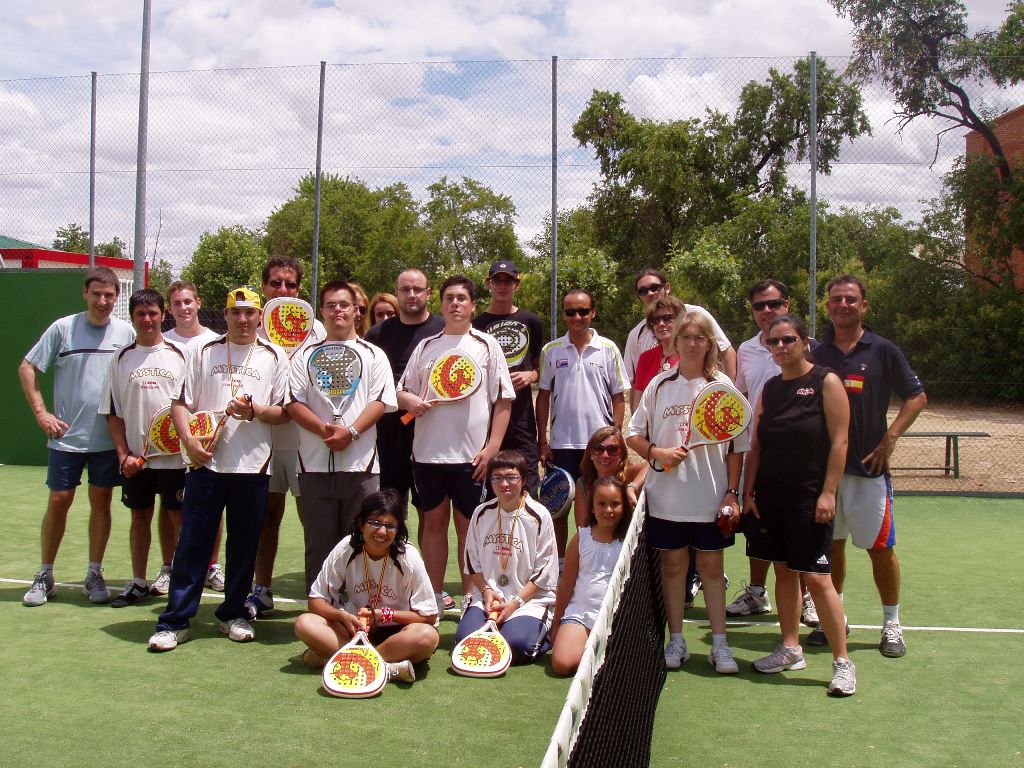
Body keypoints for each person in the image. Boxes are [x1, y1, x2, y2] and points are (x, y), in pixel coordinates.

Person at [148, 286, 290, 651]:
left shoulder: (274, 356)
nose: (243, 319)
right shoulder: (202, 351)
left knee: (244, 546)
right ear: (225, 315)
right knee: (193, 544)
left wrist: (255, 410)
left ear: (260, 317)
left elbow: (284, 412)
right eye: (235, 312)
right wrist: (188, 442)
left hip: (253, 467)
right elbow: (180, 403)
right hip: (204, 465)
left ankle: (232, 613)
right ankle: (175, 620)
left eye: (249, 313)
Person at [810, 275, 927, 658]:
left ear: (864, 306)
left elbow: (916, 397)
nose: (842, 305)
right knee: (834, 546)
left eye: (850, 299)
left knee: (880, 548)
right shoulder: (816, 352)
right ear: (827, 306)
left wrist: (889, 439)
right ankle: (836, 618)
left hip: (868, 471)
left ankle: (892, 624)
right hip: (825, 472)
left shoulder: (883, 350)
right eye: (836, 299)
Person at [626, 312, 748, 674]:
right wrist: (656, 453)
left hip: (710, 499)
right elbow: (633, 434)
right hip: (667, 499)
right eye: (686, 337)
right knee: (674, 567)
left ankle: (720, 645)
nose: (692, 343)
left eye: (700, 337)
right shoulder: (659, 385)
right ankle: (675, 640)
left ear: (709, 343)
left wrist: (731, 493)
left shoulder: (723, 386)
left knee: (711, 569)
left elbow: (737, 446)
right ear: (674, 342)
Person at [742, 314, 856, 696]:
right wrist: (748, 492)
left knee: (818, 579)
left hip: (810, 498)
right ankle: (790, 648)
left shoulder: (826, 381)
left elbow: (840, 442)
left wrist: (828, 493)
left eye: (787, 339)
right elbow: (757, 446)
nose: (780, 347)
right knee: (784, 573)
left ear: (804, 341)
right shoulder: (770, 389)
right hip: (771, 497)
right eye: (773, 342)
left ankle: (842, 662)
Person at [398, 275, 514, 615]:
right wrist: (412, 403)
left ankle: (470, 600)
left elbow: (504, 401)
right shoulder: (426, 346)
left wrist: (492, 447)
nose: (455, 304)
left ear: (473, 305)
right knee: (433, 526)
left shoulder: (487, 346)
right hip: (428, 455)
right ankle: (433, 598)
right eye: (449, 297)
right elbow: (400, 391)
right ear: (441, 303)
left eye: (462, 298)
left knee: (468, 528)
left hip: (472, 458)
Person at [20, 266, 135, 607]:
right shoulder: (63, 328)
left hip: (107, 441)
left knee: (101, 504)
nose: (103, 301)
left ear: (117, 297)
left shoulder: (126, 332)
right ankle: (45, 574)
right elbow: (27, 367)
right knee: (59, 502)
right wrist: (42, 413)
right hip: (66, 439)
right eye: (97, 294)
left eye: (109, 295)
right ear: (85, 293)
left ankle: (94, 573)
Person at [286, 280, 397, 591]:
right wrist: (324, 430)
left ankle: (363, 620)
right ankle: (321, 619)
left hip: (361, 468)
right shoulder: (303, 355)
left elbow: (380, 401)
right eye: (331, 305)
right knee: (319, 549)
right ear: (321, 312)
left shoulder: (374, 355)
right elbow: (294, 402)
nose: (337, 310)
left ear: (356, 310)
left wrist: (350, 432)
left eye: (344, 305)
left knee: (365, 546)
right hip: (313, 468)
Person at [727, 279, 818, 625]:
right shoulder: (746, 350)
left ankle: (807, 597)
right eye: (759, 306)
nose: (766, 311)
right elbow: (739, 401)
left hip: (798, 462)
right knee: (758, 527)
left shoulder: (808, 348)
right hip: (757, 455)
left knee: (800, 530)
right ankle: (756, 593)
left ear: (787, 304)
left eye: (774, 303)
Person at [247, 256, 326, 620]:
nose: (283, 290)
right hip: (261, 441)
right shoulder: (251, 328)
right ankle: (261, 589)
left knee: (313, 518)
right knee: (266, 518)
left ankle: (322, 590)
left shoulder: (319, 332)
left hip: (306, 442)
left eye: (290, 285)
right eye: (276, 283)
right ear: (264, 288)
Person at [294, 490, 439, 684]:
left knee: (427, 637)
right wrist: (342, 616)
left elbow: (428, 616)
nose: (381, 532)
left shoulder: (408, 556)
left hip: (399, 632)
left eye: (390, 526)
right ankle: (385, 667)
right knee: (305, 623)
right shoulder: (347, 547)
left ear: (398, 530)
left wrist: (384, 615)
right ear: (361, 524)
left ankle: (347, 660)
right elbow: (316, 601)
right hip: (355, 629)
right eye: (374, 523)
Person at [100, 289, 187, 607]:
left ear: (163, 315)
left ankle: (178, 580)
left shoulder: (180, 355)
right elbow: (113, 413)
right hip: (137, 461)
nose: (147, 319)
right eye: (140, 314)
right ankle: (137, 581)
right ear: (133, 318)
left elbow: (190, 407)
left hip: (176, 460)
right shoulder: (121, 357)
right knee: (140, 518)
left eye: (153, 313)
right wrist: (124, 456)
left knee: (177, 517)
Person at [365, 269, 447, 601]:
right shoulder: (377, 333)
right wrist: (400, 398)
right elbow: (370, 383)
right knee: (391, 510)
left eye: (417, 289)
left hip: (432, 436)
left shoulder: (443, 329)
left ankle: (425, 587)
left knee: (430, 511)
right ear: (396, 294)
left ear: (428, 293)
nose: (411, 295)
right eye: (404, 290)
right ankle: (391, 581)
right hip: (389, 437)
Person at [536, 288, 628, 557]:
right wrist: (543, 441)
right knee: (558, 508)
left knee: (598, 505)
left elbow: (619, 396)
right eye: (570, 312)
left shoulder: (608, 348)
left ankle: (594, 558)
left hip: (599, 447)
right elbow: (542, 398)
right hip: (562, 444)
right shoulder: (550, 351)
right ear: (564, 315)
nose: (577, 317)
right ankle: (561, 563)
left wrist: (616, 438)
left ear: (593, 312)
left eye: (583, 311)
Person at [457, 450, 557, 664]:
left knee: (518, 647)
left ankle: (542, 628)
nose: (504, 484)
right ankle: (499, 623)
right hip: (489, 597)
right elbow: (472, 562)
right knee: (466, 641)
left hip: (528, 600)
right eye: (497, 478)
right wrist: (486, 592)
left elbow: (544, 571)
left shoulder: (539, 516)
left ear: (523, 480)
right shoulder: (481, 513)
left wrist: (514, 604)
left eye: (511, 477)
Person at [161, 280, 224, 595]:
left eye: (188, 302)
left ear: (198, 303)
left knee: (214, 508)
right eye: (177, 304)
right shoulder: (161, 341)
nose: (183, 308)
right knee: (170, 507)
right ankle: (169, 566)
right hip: (170, 443)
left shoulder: (217, 342)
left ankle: (212, 566)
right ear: (169, 309)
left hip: (207, 444)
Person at [472, 260, 543, 493]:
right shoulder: (476, 325)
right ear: (488, 284)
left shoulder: (530, 321)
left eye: (508, 280)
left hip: (522, 415)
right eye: (497, 280)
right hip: (487, 417)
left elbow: (538, 368)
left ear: (517, 284)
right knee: (490, 482)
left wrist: (531, 375)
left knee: (527, 481)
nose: (503, 285)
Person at [550, 475, 629, 676]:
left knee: (623, 669)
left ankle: (601, 647)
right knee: (562, 664)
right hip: (581, 614)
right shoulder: (581, 538)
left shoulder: (630, 542)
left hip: (617, 617)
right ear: (592, 507)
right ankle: (589, 645)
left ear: (624, 507)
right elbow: (566, 584)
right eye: (601, 504)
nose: (608, 510)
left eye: (615, 504)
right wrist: (557, 622)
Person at [623, 268, 736, 385]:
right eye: (643, 291)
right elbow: (634, 381)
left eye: (654, 288)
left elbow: (727, 353)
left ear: (666, 288)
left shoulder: (696, 314)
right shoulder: (636, 335)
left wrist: (729, 391)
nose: (650, 293)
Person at [574, 426, 646, 526]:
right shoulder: (583, 484)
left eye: (612, 449)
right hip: (598, 538)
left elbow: (652, 464)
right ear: (591, 454)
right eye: (598, 449)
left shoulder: (630, 474)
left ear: (622, 455)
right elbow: (582, 528)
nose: (605, 455)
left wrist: (632, 487)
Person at [630, 295, 685, 409]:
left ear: (681, 320)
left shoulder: (689, 356)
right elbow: (638, 404)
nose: (661, 323)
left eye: (667, 318)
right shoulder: (645, 358)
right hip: (652, 424)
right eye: (655, 320)